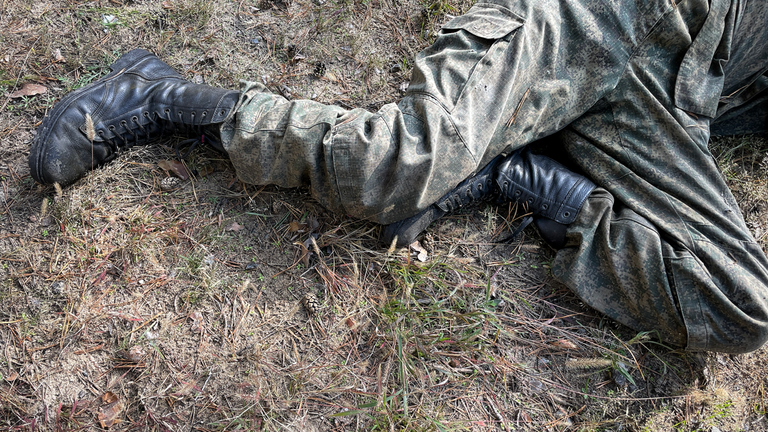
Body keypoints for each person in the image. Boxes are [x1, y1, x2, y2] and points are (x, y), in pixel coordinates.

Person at [29, 0, 768, 353]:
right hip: (607, 12)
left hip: (684, 83)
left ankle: (527, 176)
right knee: (391, 168)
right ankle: (160, 97)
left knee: (740, 310)